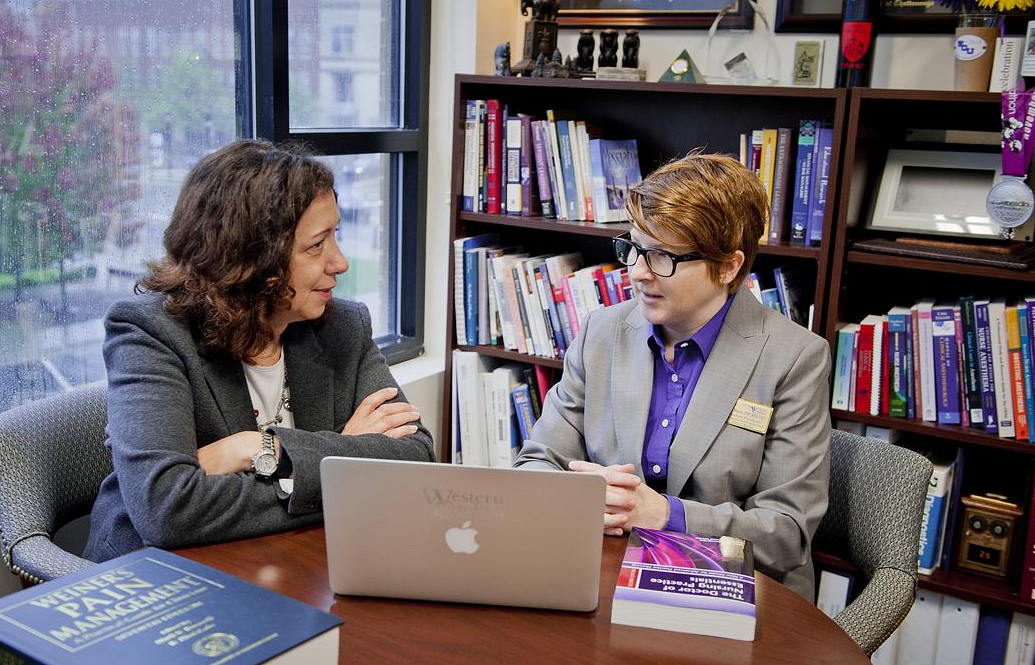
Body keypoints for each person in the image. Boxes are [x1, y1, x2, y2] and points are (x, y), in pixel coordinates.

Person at [84, 140, 434, 562]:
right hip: (154, 579)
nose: (340, 262)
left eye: (334, 236)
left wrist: (260, 449)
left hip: (287, 563)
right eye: (316, 245)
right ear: (251, 259)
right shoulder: (151, 333)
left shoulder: (342, 325)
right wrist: (340, 459)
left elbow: (414, 455)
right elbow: (167, 510)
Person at [514, 151, 831, 600]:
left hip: (728, 587)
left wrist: (663, 514)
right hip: (603, 574)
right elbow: (535, 465)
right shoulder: (601, 332)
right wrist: (578, 497)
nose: (638, 273)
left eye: (663, 255)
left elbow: (785, 534)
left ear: (728, 266)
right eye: (635, 249)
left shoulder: (794, 358)